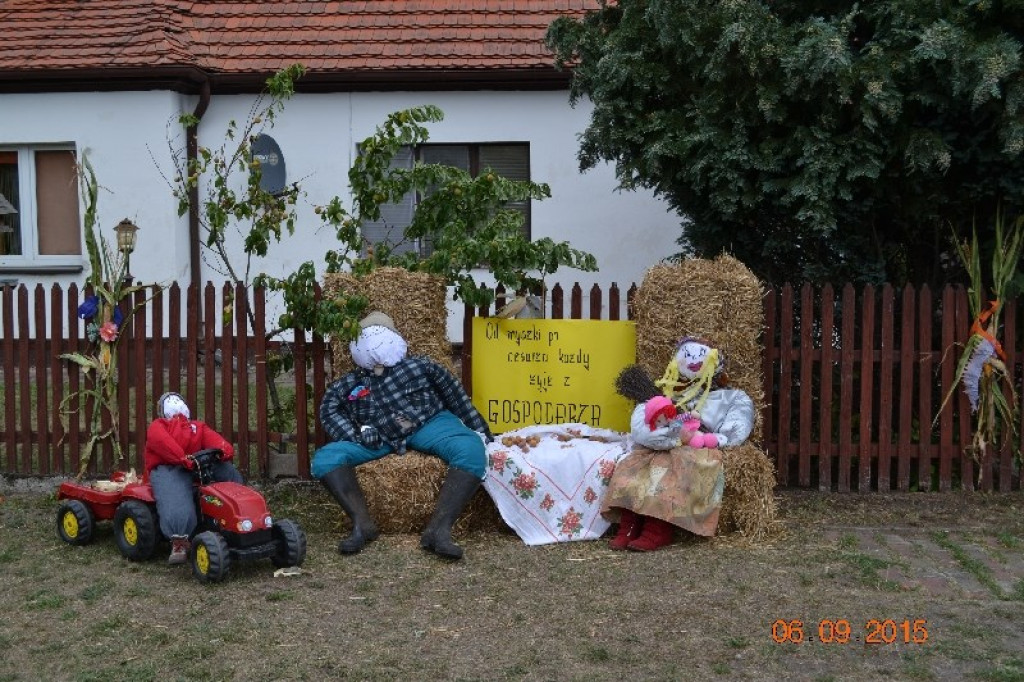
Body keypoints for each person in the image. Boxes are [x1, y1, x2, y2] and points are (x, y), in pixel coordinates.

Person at [312, 311, 493, 560]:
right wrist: (357, 434)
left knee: (470, 450)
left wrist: (482, 433)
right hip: (379, 438)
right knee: (325, 459)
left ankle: (438, 530)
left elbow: (456, 397)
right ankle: (362, 524)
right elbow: (328, 410)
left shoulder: (422, 366)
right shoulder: (348, 384)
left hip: (429, 424)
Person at [603, 337, 755, 551]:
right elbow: (641, 429)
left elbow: (737, 429)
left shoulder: (733, 397)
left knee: (674, 466)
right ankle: (629, 526)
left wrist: (712, 439)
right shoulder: (662, 393)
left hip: (700, 447)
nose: (694, 362)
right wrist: (675, 437)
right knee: (631, 465)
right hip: (661, 444)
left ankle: (657, 529)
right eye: (687, 356)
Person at [143, 392, 243, 564]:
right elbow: (163, 443)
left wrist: (223, 451)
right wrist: (183, 459)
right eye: (170, 401)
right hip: (169, 465)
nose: (175, 403)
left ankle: (240, 514)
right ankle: (179, 540)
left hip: (195, 464)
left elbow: (215, 440)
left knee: (228, 472)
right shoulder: (159, 426)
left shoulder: (197, 427)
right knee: (175, 496)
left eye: (178, 400)